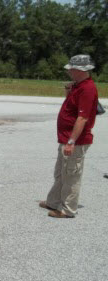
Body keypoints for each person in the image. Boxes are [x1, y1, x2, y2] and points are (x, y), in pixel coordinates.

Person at [39, 55, 98, 218]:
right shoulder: (78, 86)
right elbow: (71, 109)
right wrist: (68, 91)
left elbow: (82, 118)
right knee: (60, 173)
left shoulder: (87, 89)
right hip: (66, 138)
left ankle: (68, 209)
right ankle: (53, 201)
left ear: (80, 70)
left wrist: (71, 141)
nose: (69, 71)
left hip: (75, 141)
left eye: (72, 68)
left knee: (71, 175)